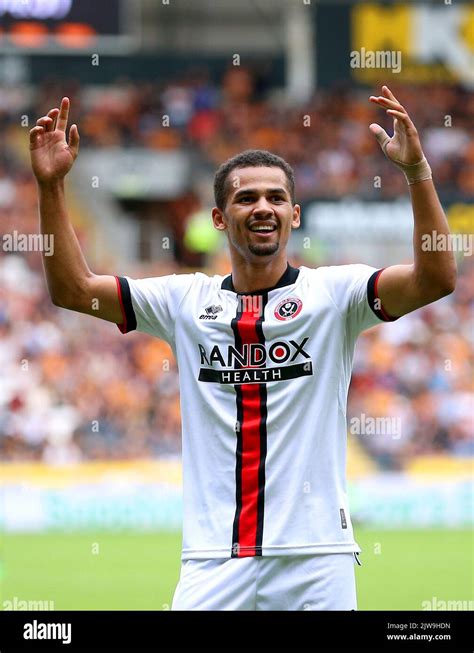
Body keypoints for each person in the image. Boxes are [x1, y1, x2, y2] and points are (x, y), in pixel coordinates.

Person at [29, 85, 456, 610]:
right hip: (213, 561)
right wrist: (51, 188)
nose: (263, 208)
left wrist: (418, 173)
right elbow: (72, 291)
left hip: (316, 559)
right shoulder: (183, 301)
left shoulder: (335, 294)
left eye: (276, 198)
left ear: (294, 215)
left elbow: (436, 278)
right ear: (218, 218)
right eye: (246, 197)